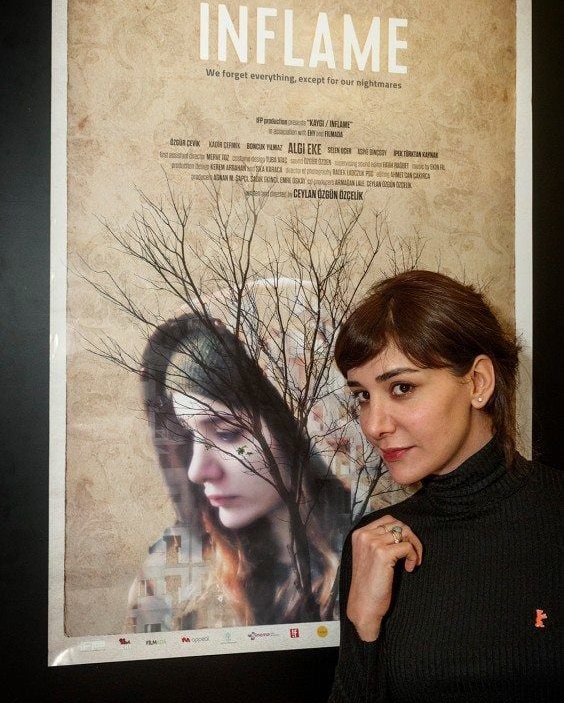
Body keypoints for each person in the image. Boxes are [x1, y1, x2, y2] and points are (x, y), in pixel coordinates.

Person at [328, 269, 563, 702]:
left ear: (478, 382)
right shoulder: (374, 542)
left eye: (401, 387)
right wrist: (364, 626)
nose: (374, 425)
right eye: (362, 395)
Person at [126, 311, 351, 632]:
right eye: (190, 435)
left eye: (227, 433)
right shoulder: (171, 569)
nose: (197, 471)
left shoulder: (368, 547)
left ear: (292, 432)